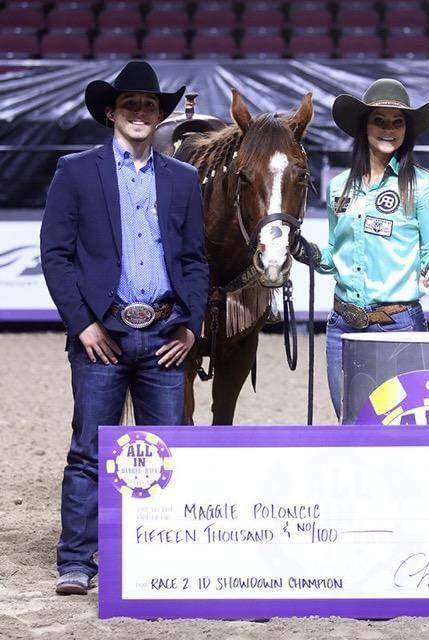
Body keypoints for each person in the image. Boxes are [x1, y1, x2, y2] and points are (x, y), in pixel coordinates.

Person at [40, 61, 208, 595]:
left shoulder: (183, 179)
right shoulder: (75, 171)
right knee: (89, 448)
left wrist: (192, 328)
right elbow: (56, 255)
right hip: (102, 336)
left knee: (167, 448)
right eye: (131, 104)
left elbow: (196, 260)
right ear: (111, 112)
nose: (141, 113)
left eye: (150, 106)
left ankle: (161, 556)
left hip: (165, 334)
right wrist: (84, 323)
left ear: (160, 117)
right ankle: (76, 560)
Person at [293, 79, 429, 418]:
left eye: (398, 122)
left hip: (399, 325)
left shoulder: (423, 185)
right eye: (380, 120)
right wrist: (302, 249)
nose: (388, 129)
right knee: (350, 426)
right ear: (365, 126)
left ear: (407, 129)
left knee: (402, 426)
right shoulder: (338, 186)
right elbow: (334, 254)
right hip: (342, 325)